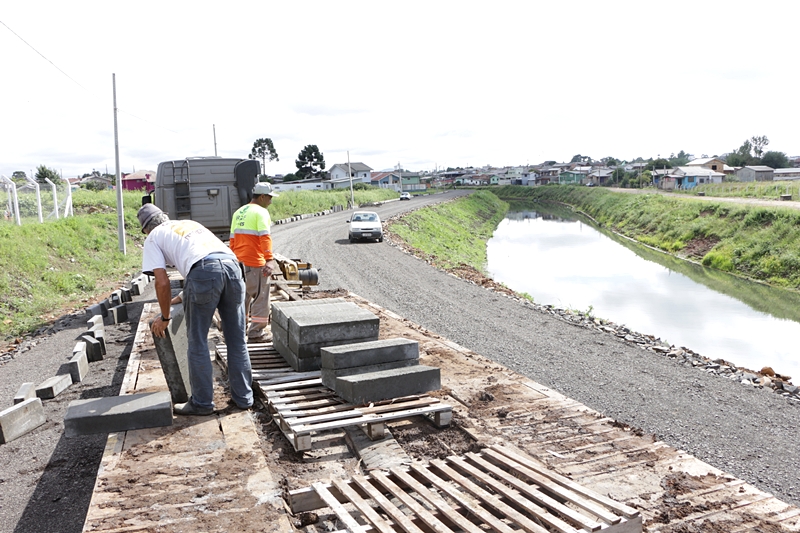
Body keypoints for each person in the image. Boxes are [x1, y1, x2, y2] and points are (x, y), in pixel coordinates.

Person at [137, 203, 253, 415]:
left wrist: (164, 316)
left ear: (146, 228)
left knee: (197, 341)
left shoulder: (153, 237)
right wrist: (184, 295)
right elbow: (209, 260)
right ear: (165, 217)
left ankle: (202, 403)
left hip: (205, 272)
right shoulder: (189, 224)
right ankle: (244, 398)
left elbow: (161, 282)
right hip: (234, 269)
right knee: (237, 340)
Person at [229, 182, 279, 343]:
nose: (271, 201)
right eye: (270, 197)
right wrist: (269, 259)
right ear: (263, 196)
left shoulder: (239, 212)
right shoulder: (261, 212)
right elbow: (265, 237)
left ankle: (238, 331)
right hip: (255, 263)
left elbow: (232, 240)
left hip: (239, 262)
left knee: (241, 299)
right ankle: (256, 333)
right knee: (260, 297)